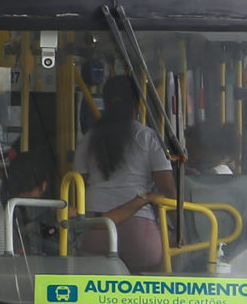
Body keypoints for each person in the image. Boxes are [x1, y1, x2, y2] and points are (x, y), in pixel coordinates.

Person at [75, 77, 177, 274]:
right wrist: (180, 231)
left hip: (95, 225)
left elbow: (80, 184)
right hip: (139, 230)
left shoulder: (88, 139)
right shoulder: (147, 137)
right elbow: (167, 188)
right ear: (137, 104)